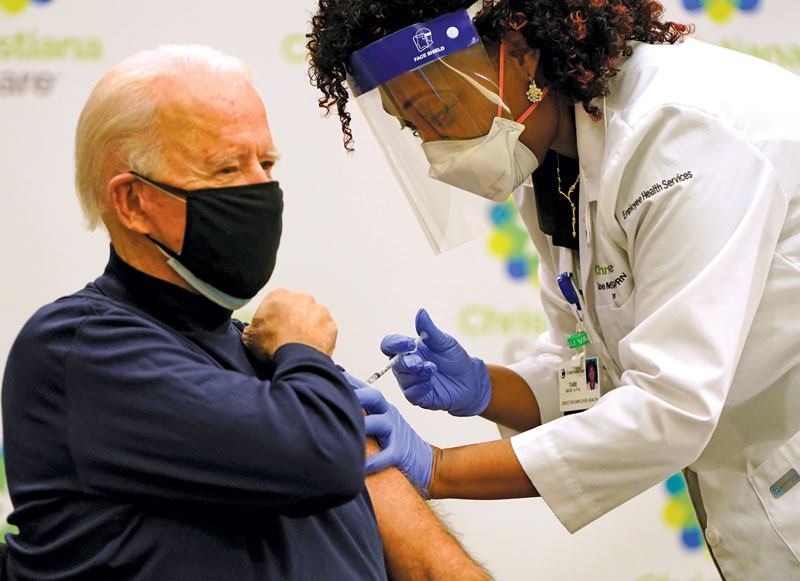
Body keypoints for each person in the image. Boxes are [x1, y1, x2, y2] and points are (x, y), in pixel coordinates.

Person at [307, 1, 800, 579]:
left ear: (519, 53)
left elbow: (668, 407)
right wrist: (487, 388)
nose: (435, 156)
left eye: (435, 111)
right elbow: (594, 364)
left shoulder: (678, 134)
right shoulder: (551, 163)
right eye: (414, 129)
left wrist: (438, 469)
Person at [1, 44, 490, 580]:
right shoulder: (79, 348)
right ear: (134, 202)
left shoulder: (271, 357)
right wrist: (305, 353)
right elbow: (319, 459)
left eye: (268, 163)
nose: (262, 189)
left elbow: (430, 566)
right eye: (228, 168)